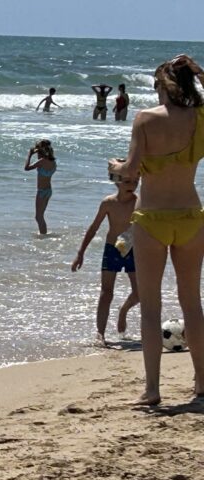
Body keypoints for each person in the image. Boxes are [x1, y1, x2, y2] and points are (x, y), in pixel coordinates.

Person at [109, 54, 204, 406]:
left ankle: (152, 390)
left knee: (151, 308)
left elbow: (130, 172)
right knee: (192, 303)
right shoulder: (199, 118)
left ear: (162, 85)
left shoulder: (145, 119)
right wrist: (199, 71)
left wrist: (115, 166)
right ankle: (201, 384)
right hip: (191, 215)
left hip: (152, 218)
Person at [71, 174, 140, 346]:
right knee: (106, 292)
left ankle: (123, 311)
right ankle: (100, 334)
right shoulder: (108, 203)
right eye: (127, 181)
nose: (131, 184)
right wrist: (80, 253)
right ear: (117, 182)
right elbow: (94, 228)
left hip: (134, 249)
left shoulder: (140, 202)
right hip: (113, 249)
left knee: (140, 293)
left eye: (135, 181)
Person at [24, 140, 56, 235]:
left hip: (41, 191)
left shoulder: (41, 161)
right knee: (41, 216)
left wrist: (30, 155)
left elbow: (26, 168)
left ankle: (43, 236)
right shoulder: (53, 162)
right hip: (48, 190)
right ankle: (44, 235)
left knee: (38, 217)